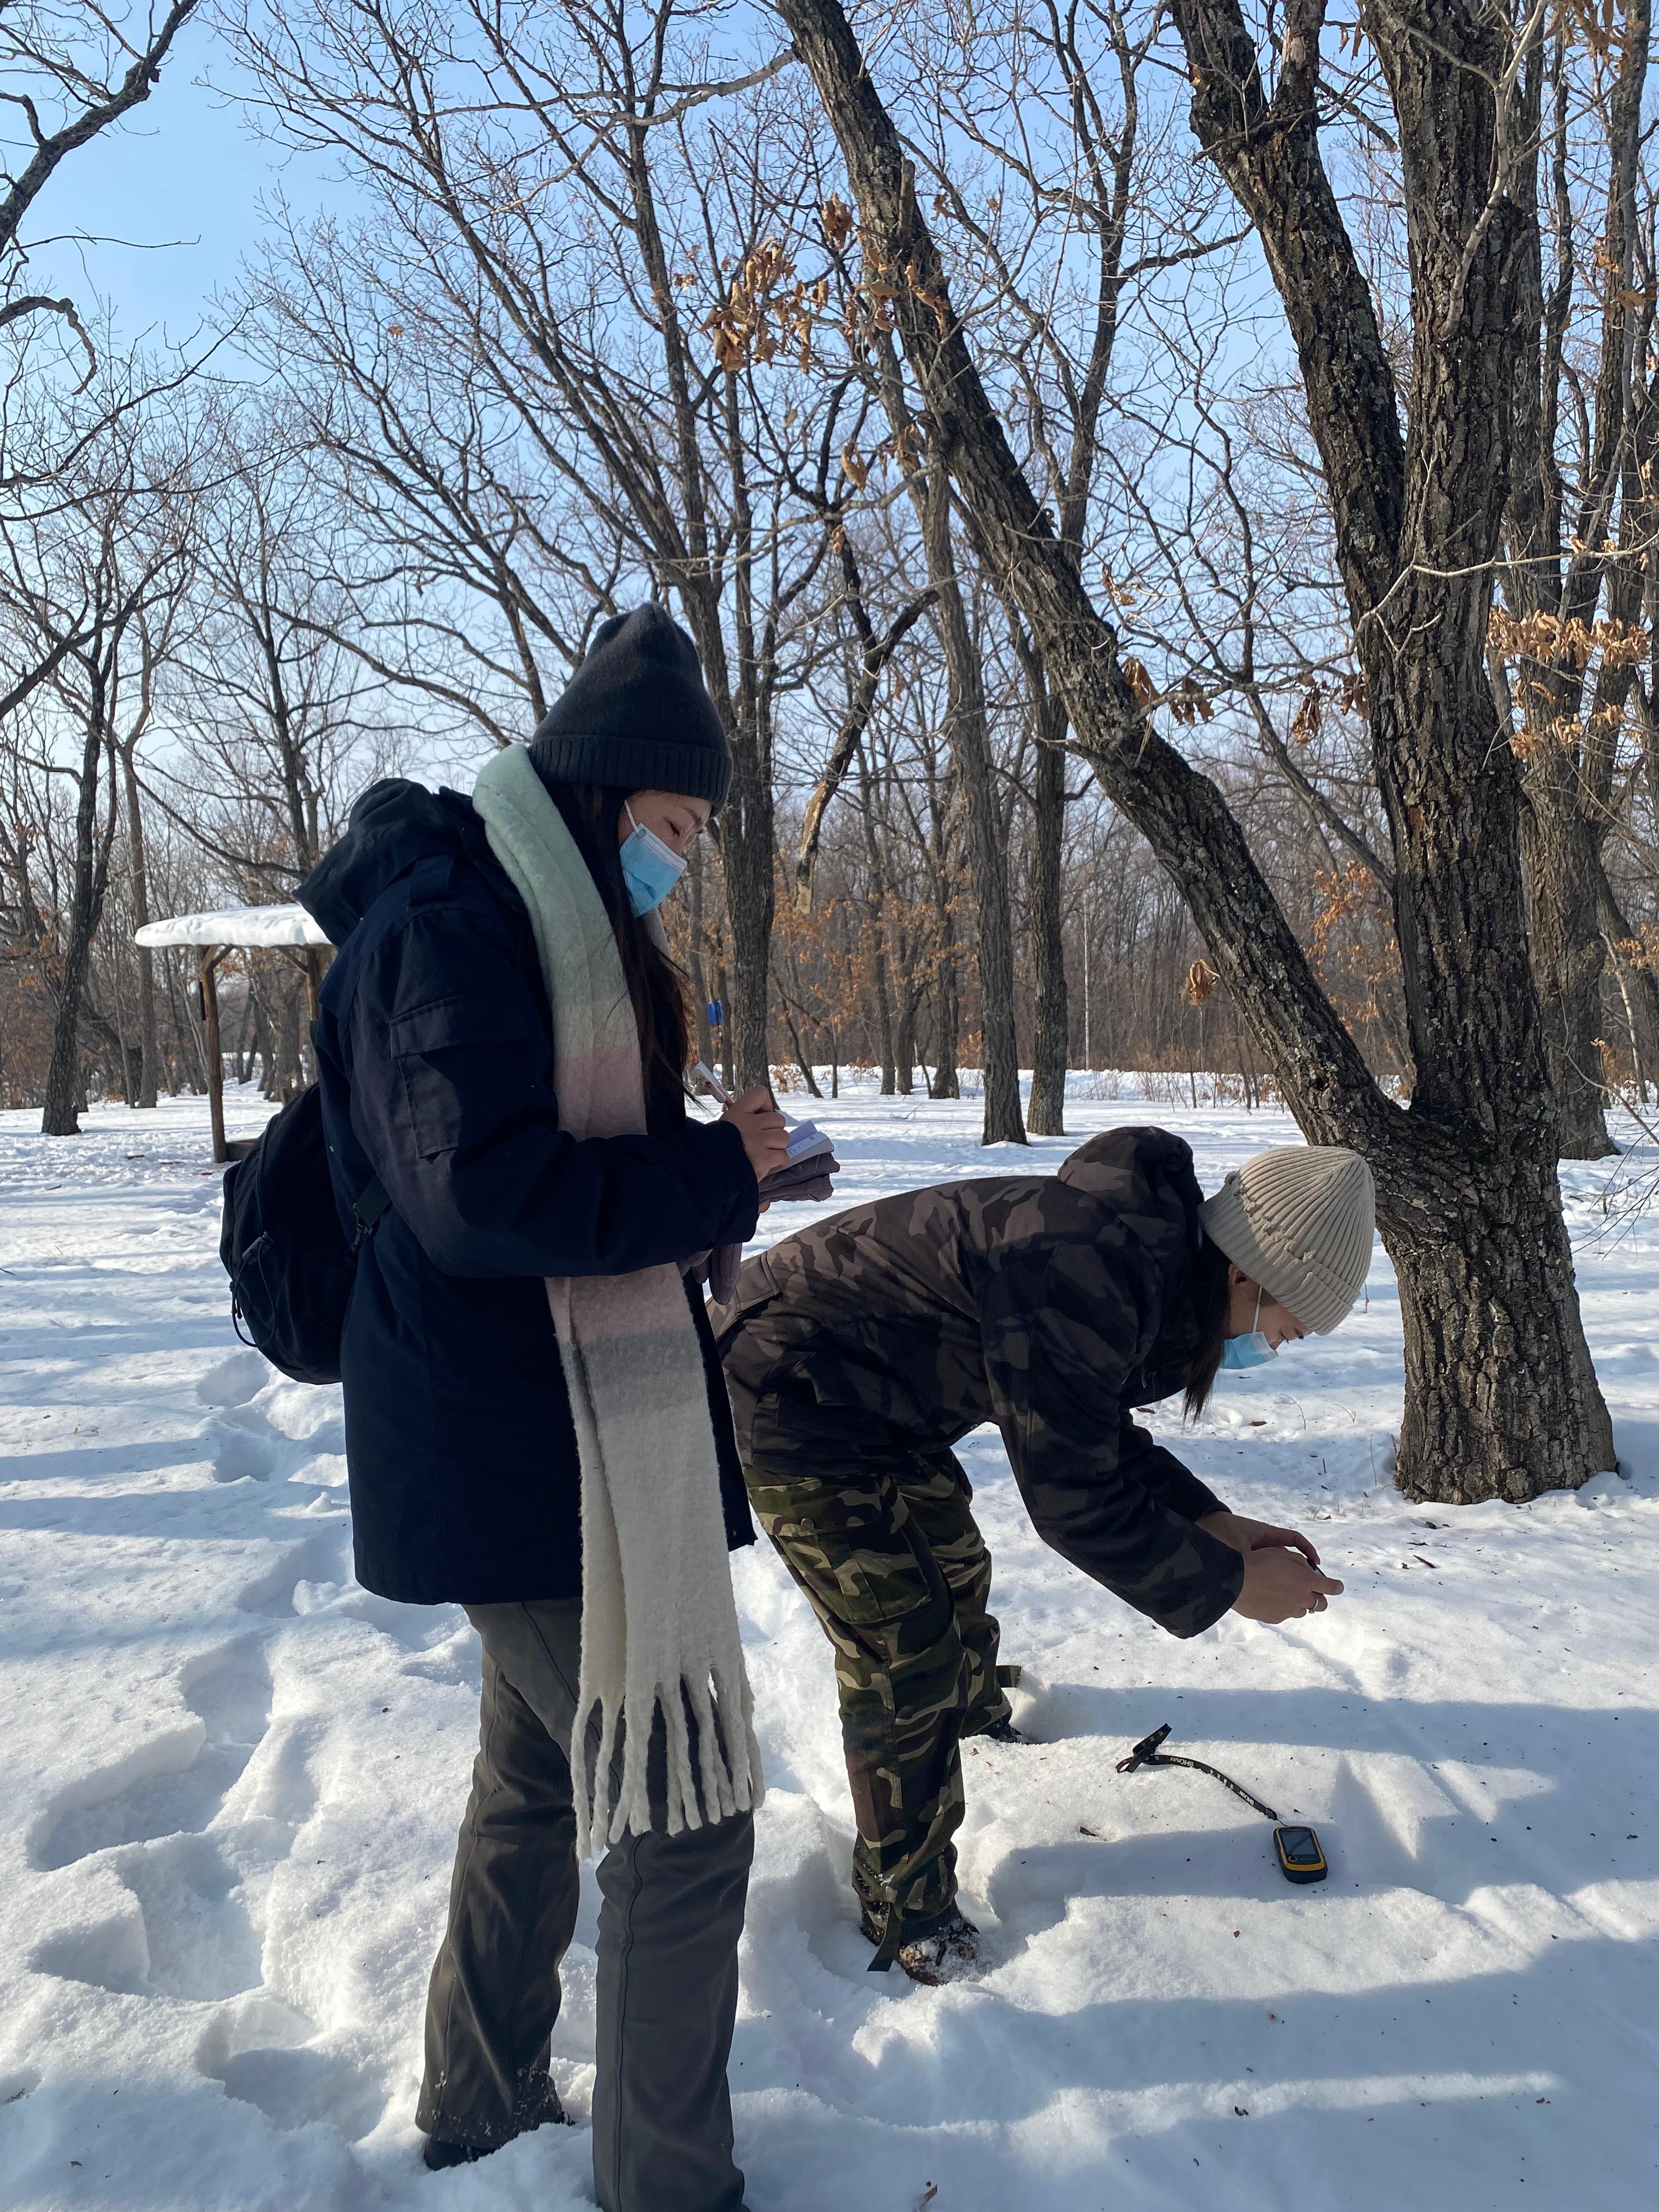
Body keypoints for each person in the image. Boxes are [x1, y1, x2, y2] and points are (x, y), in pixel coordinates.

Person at [300, 605, 787, 2210]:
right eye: (670, 828)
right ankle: (665, 2186)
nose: (677, 863)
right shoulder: (453, 931)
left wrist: (708, 1212)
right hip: (507, 1447)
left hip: (547, 1440)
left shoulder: (547, 933)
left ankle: (479, 2097)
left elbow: (561, 1185)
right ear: (599, 800)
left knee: (535, 1767)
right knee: (681, 1813)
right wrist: (719, 1168)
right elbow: (488, 1201)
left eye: (696, 838)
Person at [714, 1128, 1373, 1983]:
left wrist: (1217, 1524)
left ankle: (971, 1724)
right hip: (786, 1386)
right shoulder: (1088, 1270)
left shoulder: (1146, 1267)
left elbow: (1090, 1430)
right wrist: (1231, 1585)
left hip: (878, 1399)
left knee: (954, 1563)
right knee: (902, 1643)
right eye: (1288, 1327)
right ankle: (905, 1902)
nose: (1277, 1347)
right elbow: (1073, 1499)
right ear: (1247, 1273)